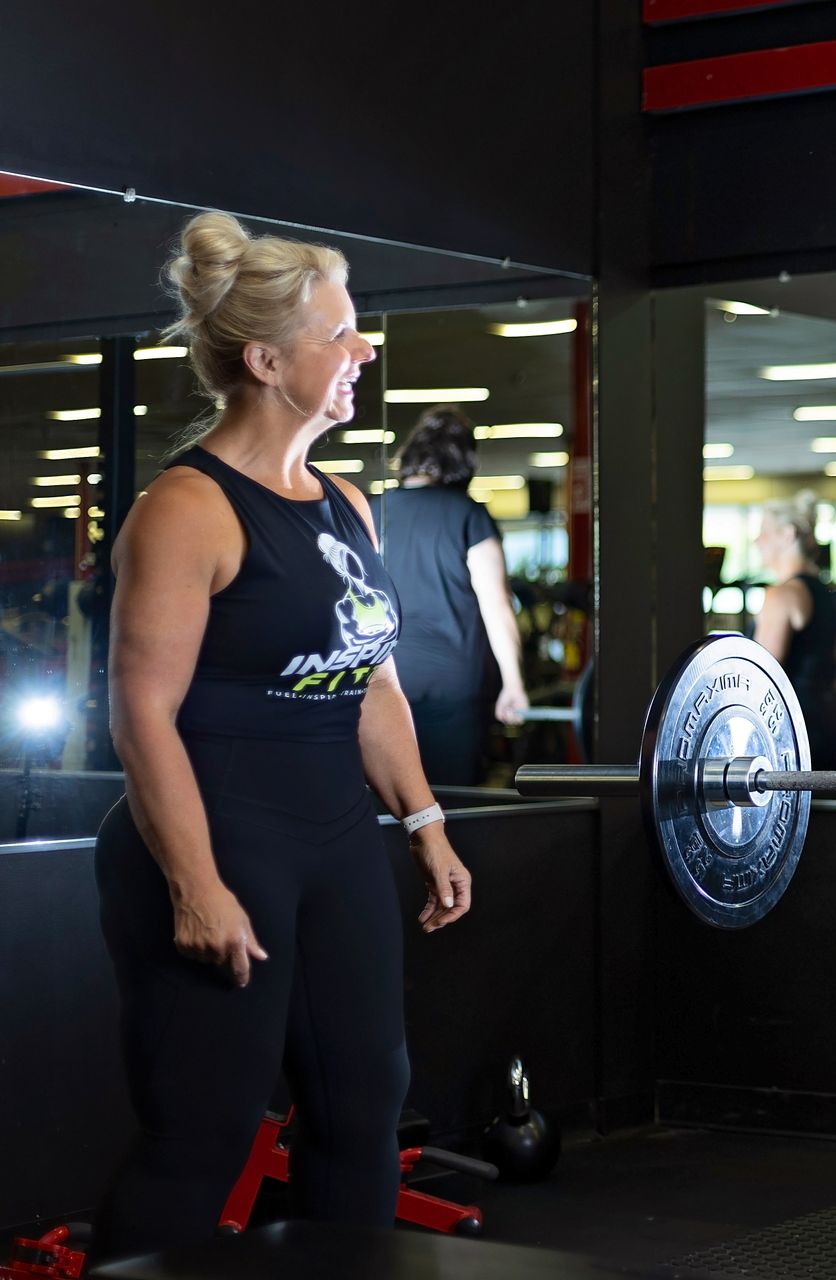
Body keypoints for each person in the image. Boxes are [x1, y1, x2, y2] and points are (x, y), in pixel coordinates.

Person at [91, 212, 472, 1261]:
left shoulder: (349, 502)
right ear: (265, 360)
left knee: (362, 1112)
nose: (365, 351)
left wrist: (426, 821)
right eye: (341, 333)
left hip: (336, 838)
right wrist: (195, 880)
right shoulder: (188, 508)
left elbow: (374, 686)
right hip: (220, 838)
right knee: (201, 1128)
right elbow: (140, 712)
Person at [372, 406, 530, 785]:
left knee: (389, 799)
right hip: (454, 683)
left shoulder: (373, 511)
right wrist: (513, 682)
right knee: (452, 800)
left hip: (384, 677)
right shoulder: (469, 515)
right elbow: (497, 604)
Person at [752, 492, 836, 770]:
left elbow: (761, 677)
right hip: (831, 720)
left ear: (787, 535)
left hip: (796, 729)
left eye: (763, 533)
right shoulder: (827, 594)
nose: (756, 541)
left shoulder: (780, 595)